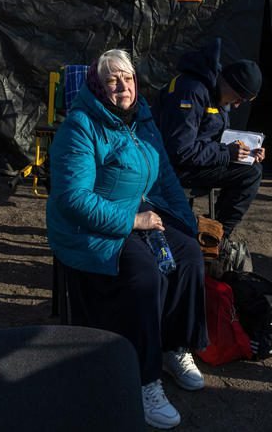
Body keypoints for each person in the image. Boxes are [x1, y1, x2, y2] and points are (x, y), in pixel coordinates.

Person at [46, 49, 207, 431]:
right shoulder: (81, 127)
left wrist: (185, 224)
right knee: (145, 275)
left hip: (140, 209)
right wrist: (133, 221)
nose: (123, 87)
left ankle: (173, 347)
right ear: (98, 87)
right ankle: (143, 379)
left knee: (189, 257)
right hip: (92, 225)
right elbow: (73, 198)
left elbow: (165, 175)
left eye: (129, 79)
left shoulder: (144, 120)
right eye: (112, 80)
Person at [155, 39, 265, 239]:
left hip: (191, 162)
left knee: (250, 167)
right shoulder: (192, 91)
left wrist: (247, 150)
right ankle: (216, 236)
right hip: (173, 168)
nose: (238, 105)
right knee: (250, 174)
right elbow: (180, 150)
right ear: (229, 83)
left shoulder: (213, 91)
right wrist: (227, 153)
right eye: (239, 98)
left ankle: (214, 231)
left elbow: (212, 135)